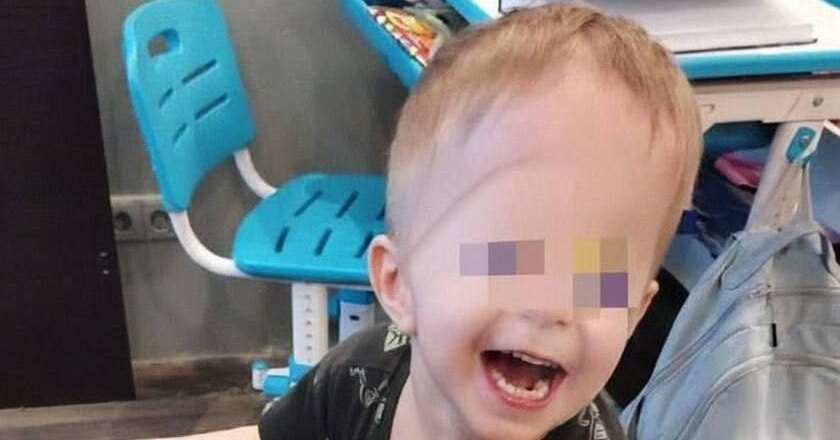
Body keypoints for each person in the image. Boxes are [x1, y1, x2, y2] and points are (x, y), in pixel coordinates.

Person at [259, 3, 701, 439]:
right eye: (508, 260)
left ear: (633, 314)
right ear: (400, 282)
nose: (552, 307)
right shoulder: (356, 378)